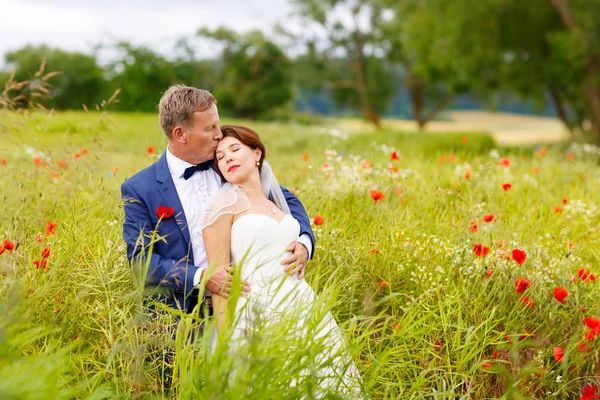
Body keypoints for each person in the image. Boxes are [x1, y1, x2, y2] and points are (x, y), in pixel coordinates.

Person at [121, 85, 315, 315]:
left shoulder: (227, 163)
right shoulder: (140, 188)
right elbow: (141, 260)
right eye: (209, 128)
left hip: (248, 304)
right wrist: (201, 277)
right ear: (180, 134)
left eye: (217, 124)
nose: (219, 134)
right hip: (178, 313)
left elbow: (285, 199)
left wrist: (304, 242)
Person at [200, 125, 362, 395]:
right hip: (256, 311)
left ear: (257, 154)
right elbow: (220, 281)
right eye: (219, 156)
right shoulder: (223, 206)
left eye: (234, 149)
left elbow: (299, 232)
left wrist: (304, 244)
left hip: (302, 307)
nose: (226, 158)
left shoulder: (277, 202)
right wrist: (227, 342)